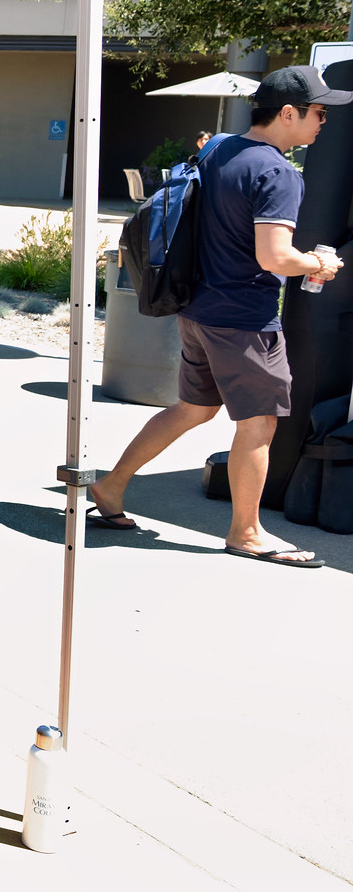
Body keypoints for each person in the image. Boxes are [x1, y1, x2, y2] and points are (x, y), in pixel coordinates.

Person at [92, 65, 351, 567]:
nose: (324, 122)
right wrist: (320, 262)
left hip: (197, 310)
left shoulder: (219, 149)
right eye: (320, 112)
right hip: (245, 319)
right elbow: (274, 257)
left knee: (193, 409)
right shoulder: (278, 173)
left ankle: (110, 485)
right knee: (259, 425)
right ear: (289, 113)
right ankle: (246, 532)